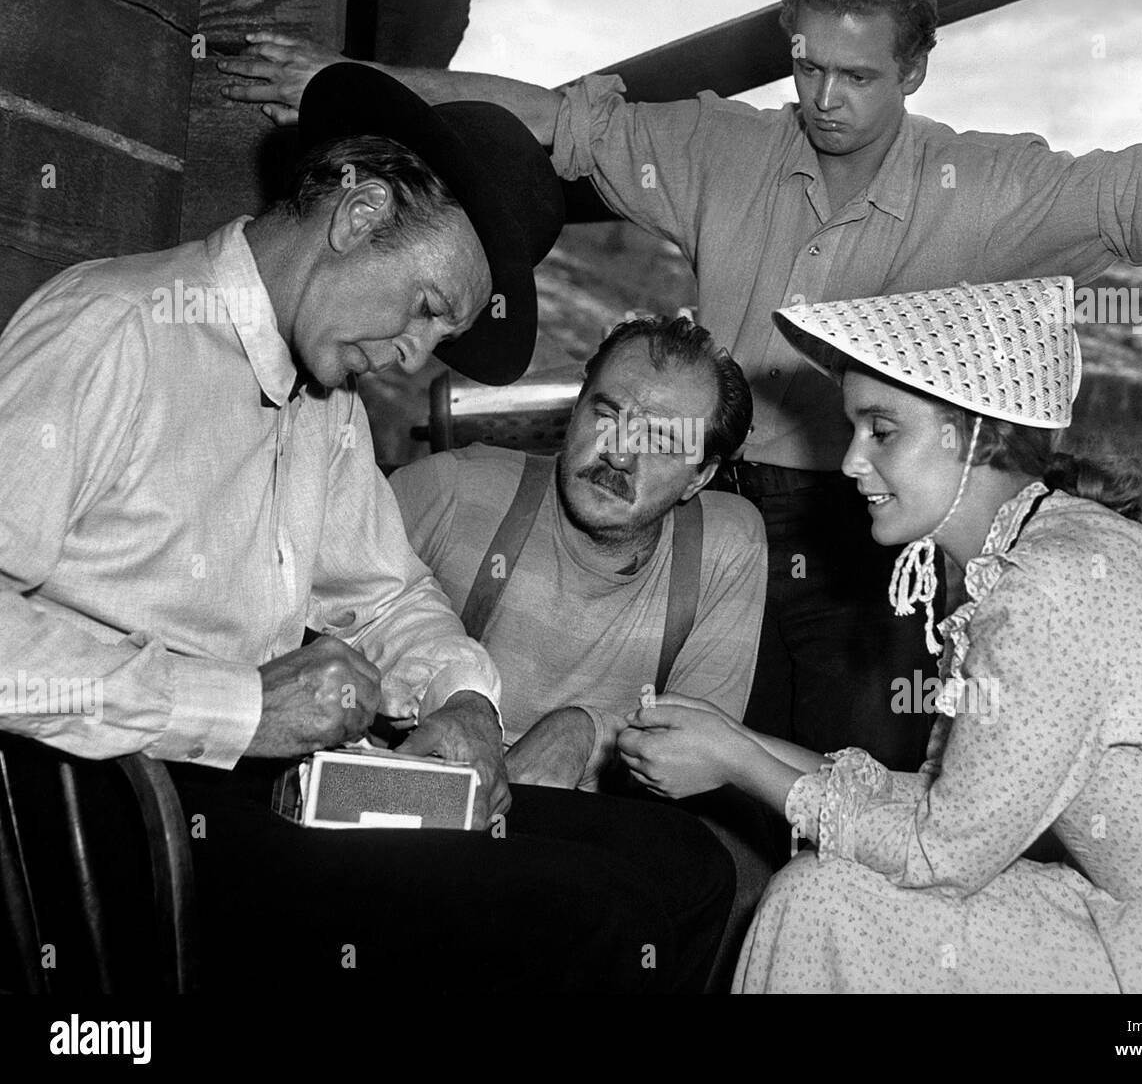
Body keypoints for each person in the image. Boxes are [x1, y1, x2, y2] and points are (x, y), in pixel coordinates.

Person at [215, 0, 1142, 776]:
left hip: (866, 528)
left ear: (914, 70)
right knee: (688, 762)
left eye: (858, 75)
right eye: (807, 65)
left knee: (859, 768)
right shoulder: (730, 148)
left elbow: (1140, 185)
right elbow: (556, 119)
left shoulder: (980, 183)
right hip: (711, 505)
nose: (824, 97)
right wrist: (355, 84)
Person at [0, 62, 732, 993]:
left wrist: (464, 700)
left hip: (279, 783)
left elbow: (387, 595)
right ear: (359, 213)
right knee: (594, 914)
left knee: (683, 865)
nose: (413, 358)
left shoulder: (327, 402)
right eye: (425, 309)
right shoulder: (111, 330)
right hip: (122, 808)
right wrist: (241, 705)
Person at [614, 276, 1142, 993]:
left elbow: (941, 851)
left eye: (882, 431)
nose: (850, 460)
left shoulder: (1048, 588)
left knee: (822, 900)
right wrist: (734, 739)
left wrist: (738, 763)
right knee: (821, 898)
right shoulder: (1041, 551)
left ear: (974, 432)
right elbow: (948, 802)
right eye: (853, 429)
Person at [388, 315, 765, 791]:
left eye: (662, 440)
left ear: (699, 477)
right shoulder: (451, 492)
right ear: (575, 409)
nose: (619, 455)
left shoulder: (723, 547)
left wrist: (589, 734)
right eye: (607, 417)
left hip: (602, 822)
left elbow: (699, 763)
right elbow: (325, 656)